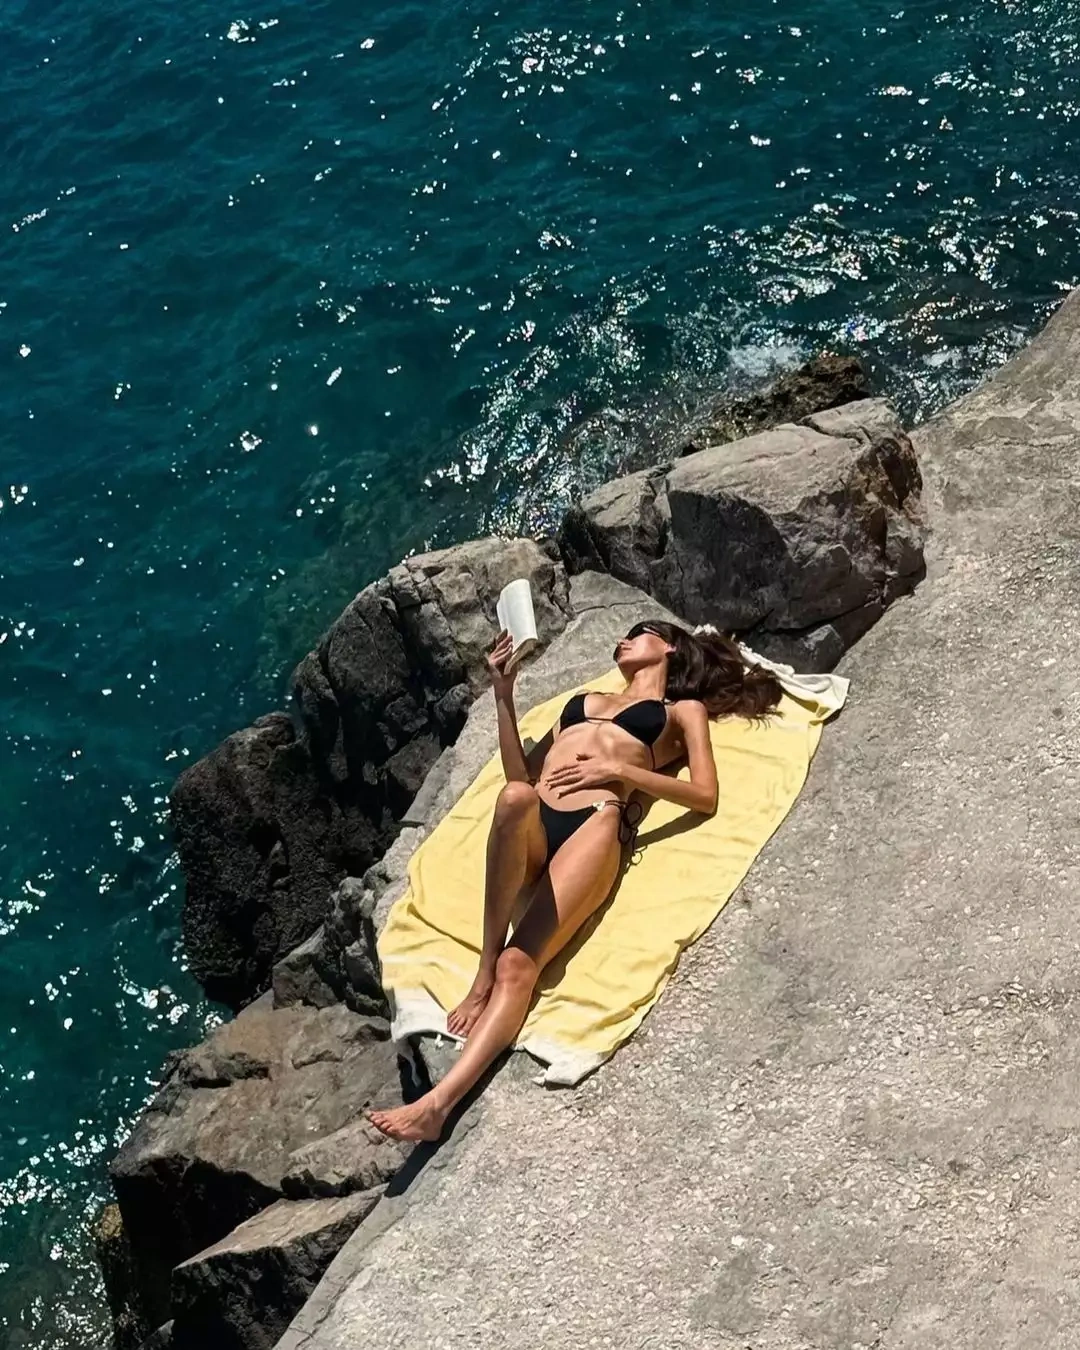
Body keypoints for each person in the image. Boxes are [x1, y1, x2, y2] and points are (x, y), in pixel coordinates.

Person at [369, 620, 783, 1142]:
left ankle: (436, 1106)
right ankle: (482, 974)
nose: (623, 641)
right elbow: (520, 775)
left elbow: (704, 794)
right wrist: (503, 695)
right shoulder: (583, 701)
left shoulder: (681, 712)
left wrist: (622, 772)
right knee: (514, 798)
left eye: (638, 634)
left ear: (668, 646)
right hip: (537, 818)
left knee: (521, 965)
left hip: (595, 822)